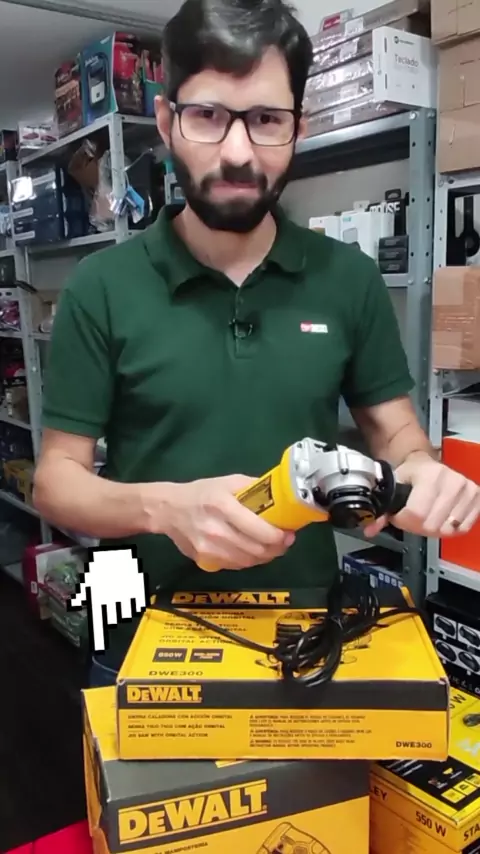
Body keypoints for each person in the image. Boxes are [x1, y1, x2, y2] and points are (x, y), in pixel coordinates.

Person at [34, 0, 480, 687]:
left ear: (299, 126)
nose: (238, 152)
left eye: (267, 120)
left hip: (302, 621)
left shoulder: (349, 279)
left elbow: (398, 436)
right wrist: (166, 508)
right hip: (135, 616)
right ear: (166, 122)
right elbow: (55, 483)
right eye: (209, 115)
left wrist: (420, 472)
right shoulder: (102, 285)